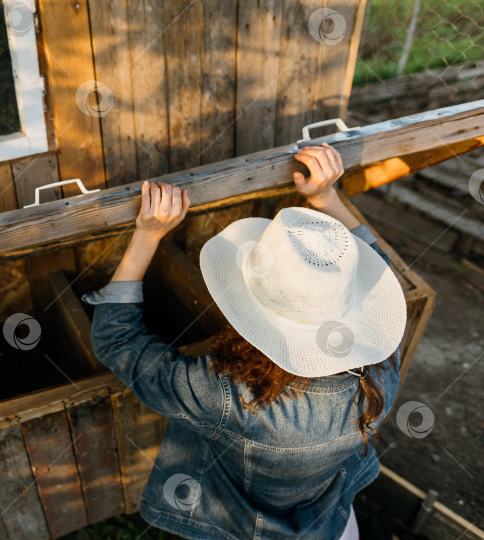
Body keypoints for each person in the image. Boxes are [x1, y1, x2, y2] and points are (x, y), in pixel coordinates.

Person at [81, 142, 407, 540]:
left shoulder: (231, 397)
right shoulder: (381, 365)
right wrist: (326, 197)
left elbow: (117, 340)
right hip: (332, 525)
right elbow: (376, 264)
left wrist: (148, 235)